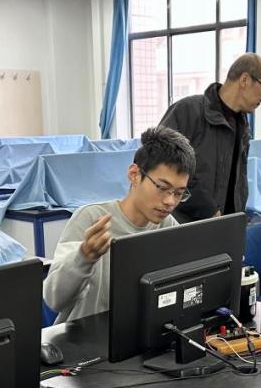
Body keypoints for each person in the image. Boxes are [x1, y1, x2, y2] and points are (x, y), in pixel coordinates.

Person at [44, 126, 195, 322]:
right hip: (84, 335)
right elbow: (53, 299)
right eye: (162, 187)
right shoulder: (91, 219)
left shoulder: (167, 226)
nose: (170, 201)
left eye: (179, 193)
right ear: (134, 175)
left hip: (136, 332)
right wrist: (84, 257)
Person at [159, 52, 261, 223]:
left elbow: (237, 180)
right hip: (185, 225)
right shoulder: (187, 111)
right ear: (245, 80)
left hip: (224, 225)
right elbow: (164, 166)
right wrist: (207, 208)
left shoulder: (242, 124)